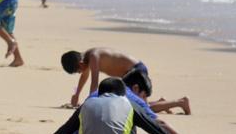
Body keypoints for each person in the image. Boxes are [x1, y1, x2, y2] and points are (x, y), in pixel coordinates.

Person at [49, 77, 173, 134]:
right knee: (130, 124)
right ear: (123, 94)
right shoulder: (128, 104)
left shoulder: (86, 105)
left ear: (100, 93)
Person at [60, 47, 190, 113]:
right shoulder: (87, 58)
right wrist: (77, 95)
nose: (80, 73)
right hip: (128, 76)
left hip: (136, 72)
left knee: (141, 109)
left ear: (80, 63)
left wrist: (90, 104)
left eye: (78, 70)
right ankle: (162, 103)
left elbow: (94, 81)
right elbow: (85, 76)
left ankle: (180, 102)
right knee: (127, 105)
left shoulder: (93, 56)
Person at [121, 70, 203, 134]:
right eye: (143, 96)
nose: (145, 101)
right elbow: (161, 124)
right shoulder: (134, 99)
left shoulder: (103, 89)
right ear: (135, 88)